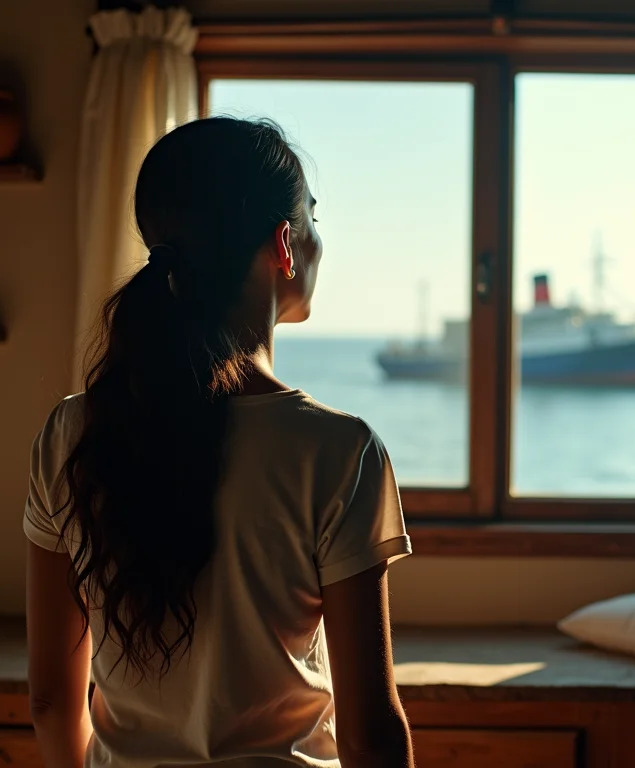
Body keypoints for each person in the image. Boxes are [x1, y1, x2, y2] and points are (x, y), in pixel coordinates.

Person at [23, 117, 414, 768]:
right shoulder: (338, 452)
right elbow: (372, 736)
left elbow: (49, 701)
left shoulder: (70, 434)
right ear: (284, 243)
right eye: (313, 220)